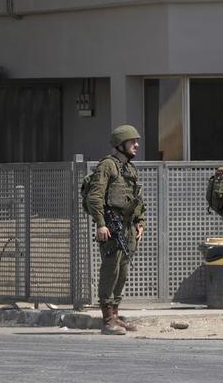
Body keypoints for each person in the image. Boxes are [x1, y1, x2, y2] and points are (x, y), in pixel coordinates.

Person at [86, 124, 146, 335]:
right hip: (112, 226)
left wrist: (140, 221)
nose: (136, 145)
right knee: (110, 270)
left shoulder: (129, 168)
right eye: (132, 142)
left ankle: (116, 314)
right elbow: (95, 197)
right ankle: (107, 319)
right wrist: (101, 224)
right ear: (120, 145)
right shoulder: (107, 166)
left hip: (128, 227)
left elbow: (136, 199)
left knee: (122, 271)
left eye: (136, 142)